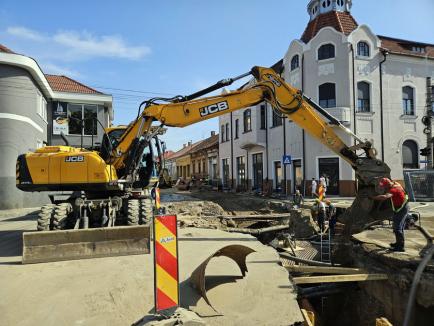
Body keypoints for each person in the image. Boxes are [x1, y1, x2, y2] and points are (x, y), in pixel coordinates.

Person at [371, 178, 409, 252]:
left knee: (397, 228)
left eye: (384, 186)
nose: (383, 188)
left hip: (402, 209)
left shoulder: (393, 190)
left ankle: (400, 247)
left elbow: (384, 197)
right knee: (397, 227)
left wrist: (372, 198)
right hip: (400, 207)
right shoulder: (396, 183)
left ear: (387, 185)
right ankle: (398, 243)